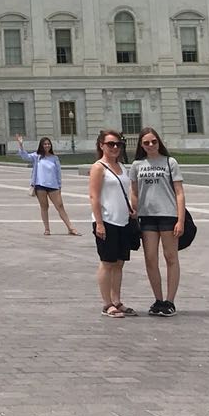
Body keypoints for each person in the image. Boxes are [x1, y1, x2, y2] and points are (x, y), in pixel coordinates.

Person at [131, 128, 185, 316]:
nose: (151, 145)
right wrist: (134, 211)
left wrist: (181, 219)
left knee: (171, 257)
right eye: (146, 143)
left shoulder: (170, 162)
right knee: (150, 258)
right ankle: (158, 299)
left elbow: (179, 192)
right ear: (141, 145)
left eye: (153, 141)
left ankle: (170, 301)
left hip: (168, 214)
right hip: (147, 216)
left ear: (159, 142)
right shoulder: (137, 165)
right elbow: (134, 192)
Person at [89, 130, 136, 318]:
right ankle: (106, 303)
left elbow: (127, 191)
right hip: (106, 221)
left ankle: (117, 300)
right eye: (110, 144)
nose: (115, 147)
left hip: (123, 220)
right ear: (101, 145)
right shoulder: (99, 167)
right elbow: (94, 196)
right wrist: (99, 222)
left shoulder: (123, 167)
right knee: (107, 262)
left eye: (118, 144)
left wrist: (132, 210)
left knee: (119, 263)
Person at [15, 134, 78, 235]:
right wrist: (21, 144)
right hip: (40, 186)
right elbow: (25, 156)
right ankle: (47, 229)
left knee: (60, 206)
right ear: (41, 145)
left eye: (48, 144)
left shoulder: (54, 158)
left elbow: (58, 173)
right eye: (45, 144)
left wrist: (59, 186)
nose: (47, 146)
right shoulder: (37, 156)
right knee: (44, 207)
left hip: (53, 186)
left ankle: (71, 227)